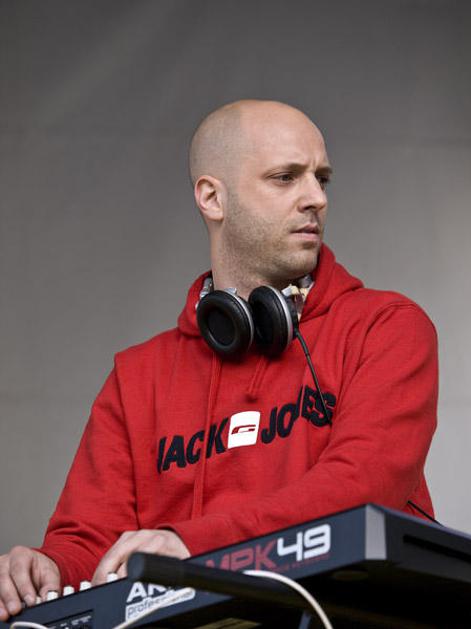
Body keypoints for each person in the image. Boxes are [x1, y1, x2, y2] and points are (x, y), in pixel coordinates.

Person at [0, 99, 438, 621]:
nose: (316, 198)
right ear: (212, 197)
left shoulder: (386, 326)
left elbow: (362, 487)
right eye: (285, 177)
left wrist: (193, 545)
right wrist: (48, 568)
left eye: (321, 178)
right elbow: (91, 543)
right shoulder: (138, 376)